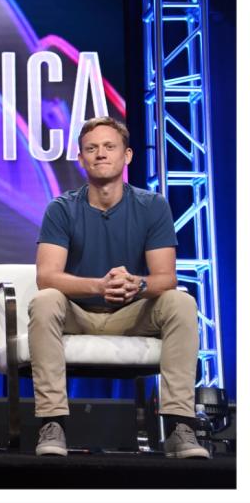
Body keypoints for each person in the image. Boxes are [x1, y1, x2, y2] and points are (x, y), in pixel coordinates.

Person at [29, 116, 207, 458]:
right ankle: (52, 424)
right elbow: (47, 276)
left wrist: (135, 284)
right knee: (46, 299)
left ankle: (179, 426)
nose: (100, 154)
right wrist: (98, 284)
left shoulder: (152, 205)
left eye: (109, 147)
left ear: (127, 156)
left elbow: (165, 277)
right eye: (91, 149)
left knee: (180, 302)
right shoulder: (61, 208)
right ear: (80, 159)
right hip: (78, 313)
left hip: (132, 312)